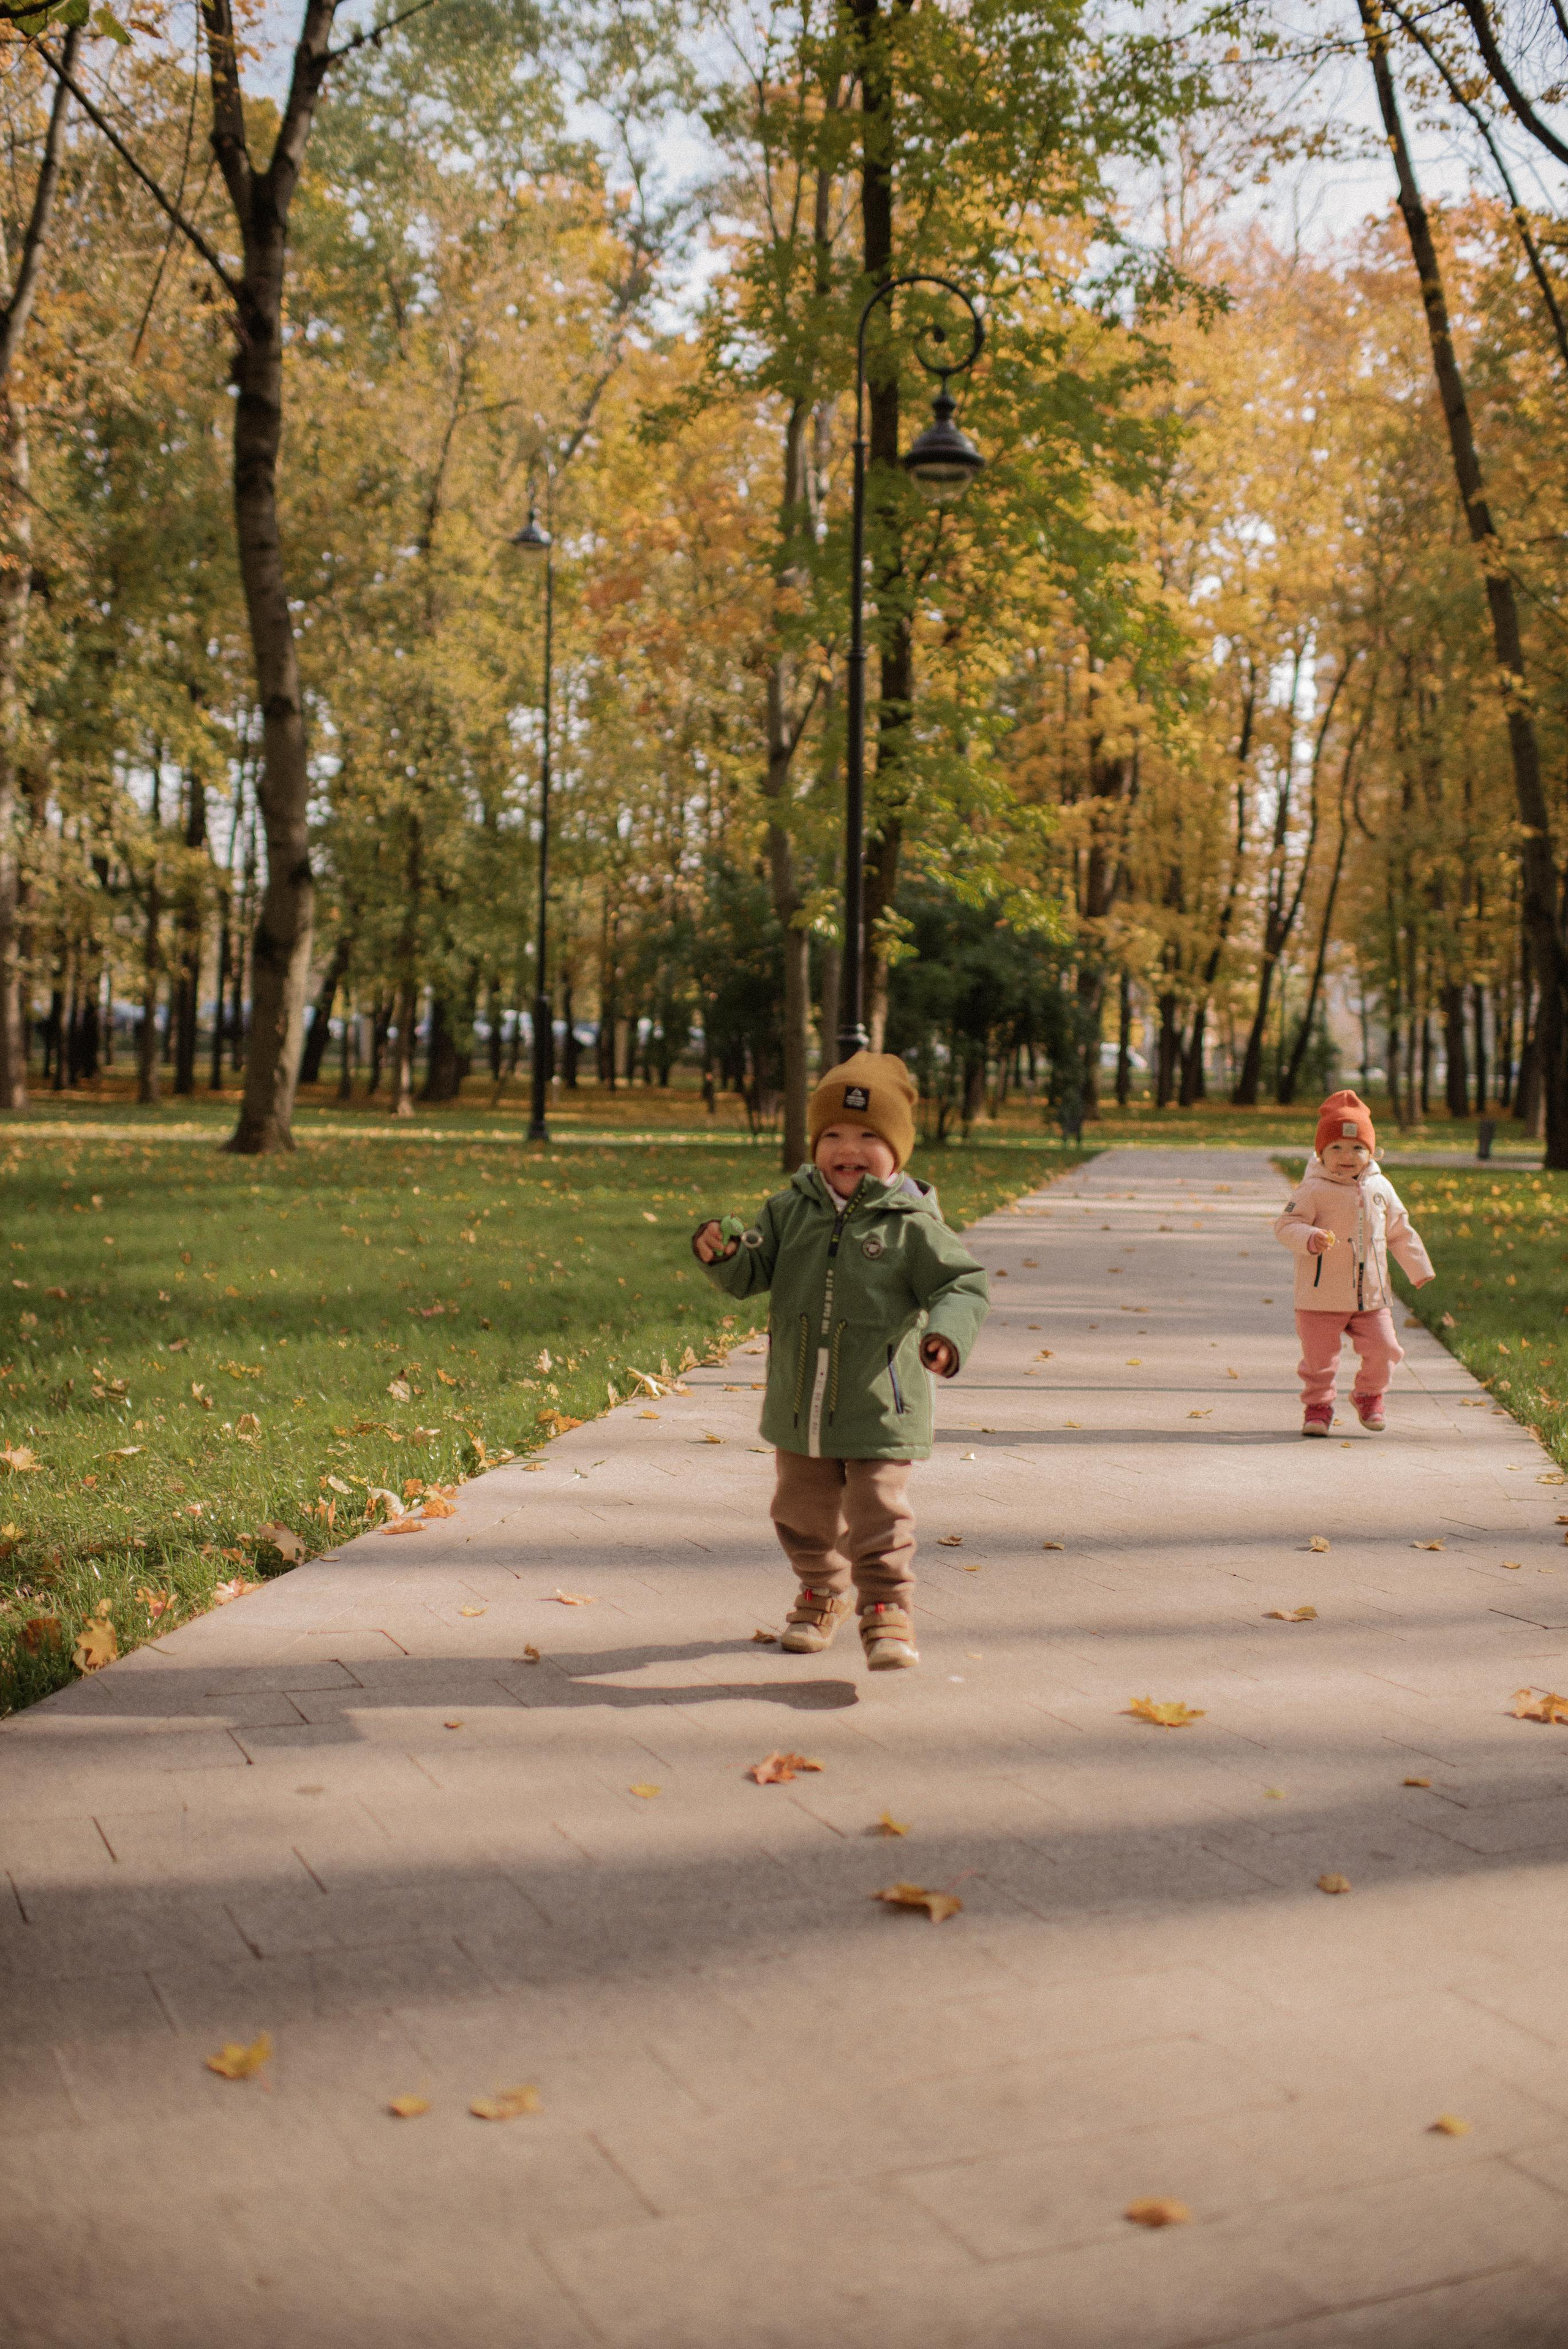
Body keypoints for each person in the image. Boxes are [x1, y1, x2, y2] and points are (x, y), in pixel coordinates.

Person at [692, 1051, 989, 1670]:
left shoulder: (912, 1224)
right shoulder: (787, 1211)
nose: (846, 1148)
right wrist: (722, 1258)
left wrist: (947, 1335)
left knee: (878, 1511)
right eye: (832, 1134)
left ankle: (885, 1610)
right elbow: (753, 1275)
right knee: (799, 1512)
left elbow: (962, 1285)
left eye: (867, 1136)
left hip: (882, 1404)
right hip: (799, 1403)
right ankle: (820, 1590)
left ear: (897, 1150)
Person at [1274, 1089, 1434, 1437]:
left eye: (1357, 1148)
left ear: (1372, 1151)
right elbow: (1286, 1226)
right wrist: (1310, 1237)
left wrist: (1418, 1268)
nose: (1347, 1156)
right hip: (1320, 1297)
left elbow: (1399, 1231)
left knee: (1386, 1349)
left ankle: (1369, 1395)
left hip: (1371, 1298)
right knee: (1320, 1361)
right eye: (1337, 1148)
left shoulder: (1381, 1188)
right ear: (1321, 1152)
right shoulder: (1313, 1189)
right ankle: (1318, 1407)